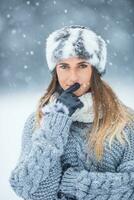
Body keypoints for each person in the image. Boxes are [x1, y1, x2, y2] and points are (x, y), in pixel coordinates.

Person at [9, 25, 134, 200]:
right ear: (55, 70)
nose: (73, 77)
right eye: (64, 66)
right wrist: (55, 121)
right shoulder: (39, 121)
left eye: (82, 65)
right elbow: (30, 189)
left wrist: (72, 183)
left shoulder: (125, 122)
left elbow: (131, 188)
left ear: (95, 70)